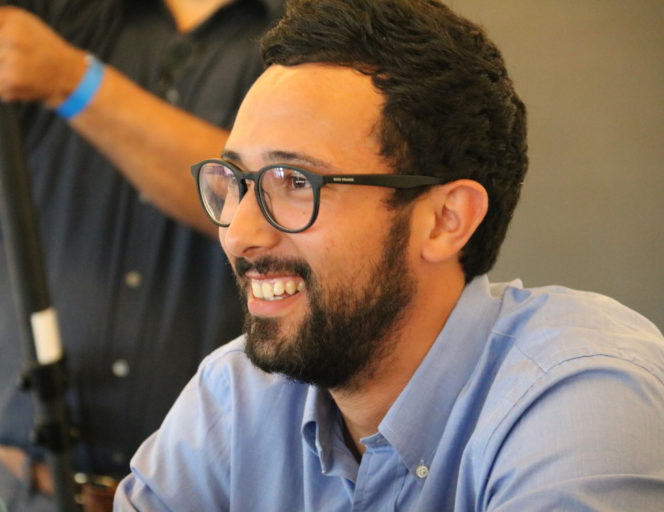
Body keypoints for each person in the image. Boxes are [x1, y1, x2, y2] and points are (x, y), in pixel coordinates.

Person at [115, 0, 664, 509]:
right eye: (236, 179)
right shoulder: (235, 396)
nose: (239, 234)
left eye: (295, 181)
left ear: (445, 220)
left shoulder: (581, 397)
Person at [0, 0, 282, 510]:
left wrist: (72, 80)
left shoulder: (307, 31)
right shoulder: (65, 9)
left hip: (203, 497)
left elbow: (269, 198)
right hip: (30, 490)